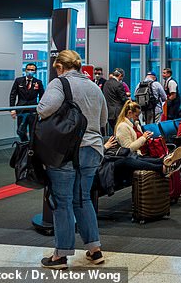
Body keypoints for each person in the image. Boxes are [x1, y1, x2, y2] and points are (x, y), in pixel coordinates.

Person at [36, 50, 108, 269]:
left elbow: (44, 109)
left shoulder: (59, 83)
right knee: (83, 198)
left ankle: (61, 255)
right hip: (94, 149)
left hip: (67, 150)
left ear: (60, 67)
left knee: (63, 201)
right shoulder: (94, 86)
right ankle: (95, 250)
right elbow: (104, 118)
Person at [113, 100, 181, 176]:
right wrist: (143, 138)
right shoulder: (122, 127)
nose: (137, 119)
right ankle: (166, 164)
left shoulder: (135, 125)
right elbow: (128, 149)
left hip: (139, 154)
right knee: (148, 161)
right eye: (136, 116)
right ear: (130, 113)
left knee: (156, 160)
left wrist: (146, 137)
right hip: (132, 156)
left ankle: (168, 160)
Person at [9, 62, 44, 142]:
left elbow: (42, 96)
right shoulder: (18, 81)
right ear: (25, 70)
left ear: (35, 71)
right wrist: (12, 109)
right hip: (21, 110)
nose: (30, 71)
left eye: (32, 70)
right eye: (28, 69)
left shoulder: (38, 82)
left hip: (33, 111)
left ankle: (31, 148)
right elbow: (13, 95)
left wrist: (41, 109)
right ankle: (24, 144)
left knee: (33, 132)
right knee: (20, 131)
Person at [102, 68, 129, 133]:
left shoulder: (106, 83)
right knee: (120, 132)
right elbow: (123, 99)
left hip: (109, 112)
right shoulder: (119, 84)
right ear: (120, 76)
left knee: (115, 131)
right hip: (118, 113)